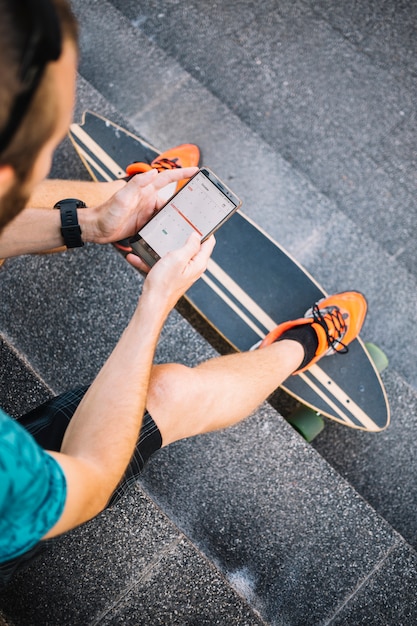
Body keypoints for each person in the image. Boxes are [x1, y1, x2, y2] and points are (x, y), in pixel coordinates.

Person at [0, 0, 367, 588]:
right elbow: (90, 479)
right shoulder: (7, 472)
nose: (51, 148)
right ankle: (303, 343)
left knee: (100, 209)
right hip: (25, 494)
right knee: (167, 390)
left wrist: (92, 224)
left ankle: (129, 196)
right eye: (46, 138)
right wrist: (155, 304)